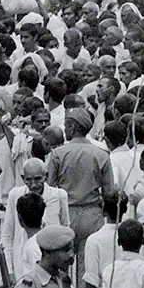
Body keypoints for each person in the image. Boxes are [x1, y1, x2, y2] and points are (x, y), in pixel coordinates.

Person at [47, 108, 115, 262]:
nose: (64, 129)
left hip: (66, 213)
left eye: (66, 125)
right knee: (88, 263)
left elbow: (49, 188)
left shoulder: (58, 154)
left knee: (63, 263)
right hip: (92, 215)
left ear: (72, 127)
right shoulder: (102, 154)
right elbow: (109, 192)